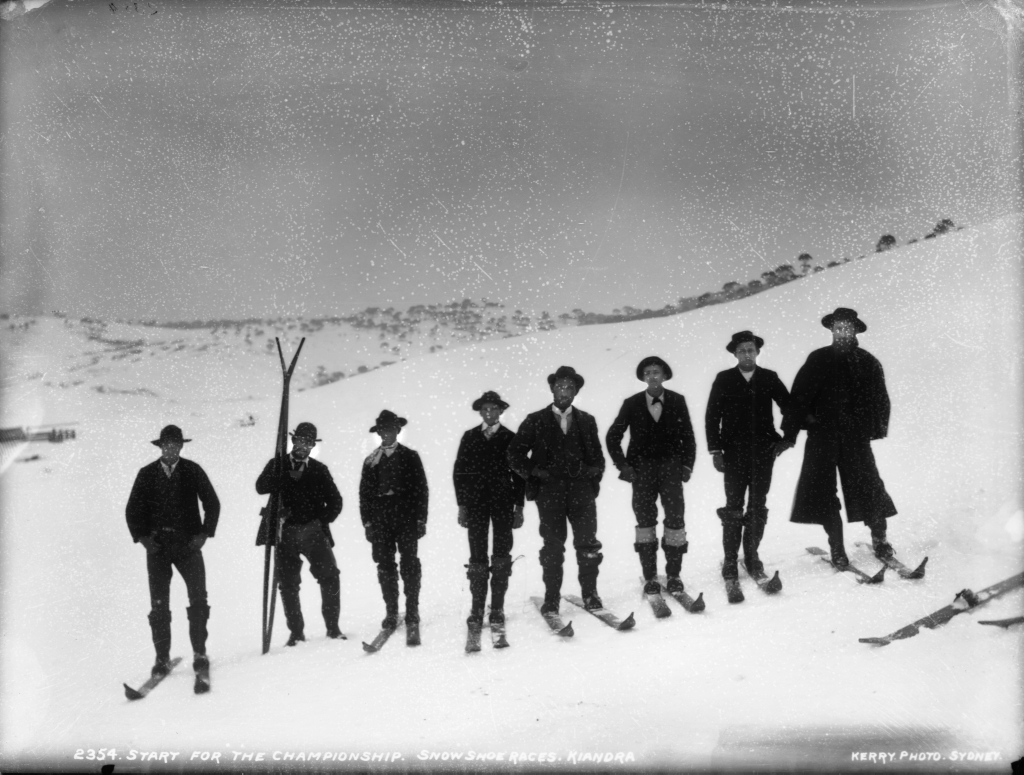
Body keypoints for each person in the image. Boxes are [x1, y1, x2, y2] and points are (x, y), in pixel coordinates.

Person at [781, 308, 897, 567]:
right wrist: (800, 428)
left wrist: (872, 429)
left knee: (870, 487)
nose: (843, 332)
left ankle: (880, 539)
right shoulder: (818, 359)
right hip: (822, 438)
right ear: (831, 330)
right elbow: (799, 397)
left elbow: (880, 399)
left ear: (855, 330)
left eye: (847, 327)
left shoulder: (867, 361)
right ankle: (836, 547)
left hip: (855, 438)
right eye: (838, 327)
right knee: (823, 491)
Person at [507, 366, 606, 613]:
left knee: (588, 544)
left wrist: (589, 477)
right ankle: (552, 597)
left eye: (570, 387)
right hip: (549, 493)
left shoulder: (586, 421)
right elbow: (514, 454)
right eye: (560, 386)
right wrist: (535, 473)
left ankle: (591, 595)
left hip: (581, 493)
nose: (565, 391)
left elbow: (598, 459)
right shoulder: (535, 420)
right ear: (552, 389)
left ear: (576, 391)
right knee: (552, 546)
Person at [126, 425, 220, 680]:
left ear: (181, 446)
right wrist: (144, 539)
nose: (171, 448)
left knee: (198, 600)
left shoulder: (192, 470)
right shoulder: (146, 474)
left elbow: (212, 503)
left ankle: (200, 654)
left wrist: (203, 535)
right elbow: (132, 510)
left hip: (188, 547)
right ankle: (161, 659)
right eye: (166, 444)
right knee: (159, 606)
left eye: (175, 443)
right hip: (158, 550)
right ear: (160, 446)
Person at [606, 356, 696, 596]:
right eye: (648, 373)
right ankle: (650, 577)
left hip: (671, 469)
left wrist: (687, 466)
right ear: (643, 377)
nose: (653, 376)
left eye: (657, 372)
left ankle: (674, 575)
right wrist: (623, 466)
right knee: (645, 522)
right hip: (642, 471)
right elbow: (613, 436)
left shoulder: (677, 401)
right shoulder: (632, 403)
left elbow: (688, 436)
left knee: (675, 519)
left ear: (664, 375)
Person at [705, 332, 791, 580]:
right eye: (741, 350)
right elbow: (712, 416)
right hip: (733, 453)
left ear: (757, 352)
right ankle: (730, 560)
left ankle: (752, 556)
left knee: (757, 505)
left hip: (764, 452)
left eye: (750, 349)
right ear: (734, 353)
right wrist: (716, 451)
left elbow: (789, 406)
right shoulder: (724, 379)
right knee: (733, 507)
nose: (746, 354)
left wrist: (787, 438)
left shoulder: (768, 378)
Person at [255, 422, 344, 646]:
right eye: (300, 440)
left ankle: (333, 629)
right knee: (287, 584)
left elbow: (335, 501)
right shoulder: (278, 464)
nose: (303, 446)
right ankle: (296, 633)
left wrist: (321, 520)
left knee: (330, 577)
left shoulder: (319, 469)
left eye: (308, 442)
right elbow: (261, 486)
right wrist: (283, 476)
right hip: (284, 532)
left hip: (313, 533)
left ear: (313, 445)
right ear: (293, 441)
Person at [453, 391, 526, 627]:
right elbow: (460, 473)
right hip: (475, 505)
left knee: (502, 554)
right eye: (485, 409)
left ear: (501, 411)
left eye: (493, 409)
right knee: (477, 554)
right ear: (480, 412)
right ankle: (476, 609)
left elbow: (519, 474)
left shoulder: (510, 438)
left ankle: (497, 609)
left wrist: (519, 506)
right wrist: (462, 505)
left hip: (503, 503)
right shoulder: (469, 437)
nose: (489, 413)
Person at [359, 410, 429, 633]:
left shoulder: (410, 456)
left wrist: (420, 519)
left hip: (406, 517)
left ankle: (412, 611)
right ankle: (391, 611)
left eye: (390, 429)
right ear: (378, 433)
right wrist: (368, 524)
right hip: (380, 520)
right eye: (382, 430)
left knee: (409, 563)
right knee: (385, 565)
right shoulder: (371, 460)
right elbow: (365, 495)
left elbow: (421, 489)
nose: (386, 433)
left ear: (398, 431)